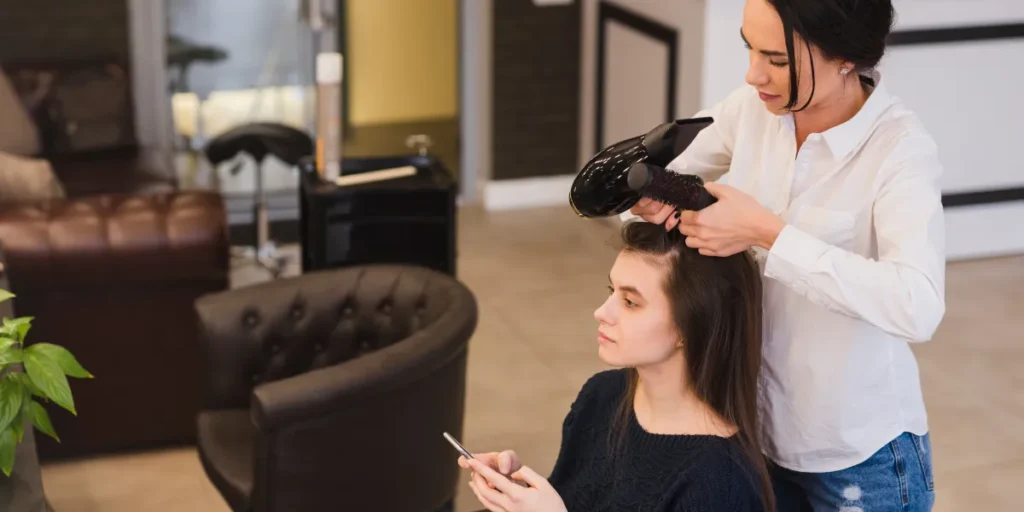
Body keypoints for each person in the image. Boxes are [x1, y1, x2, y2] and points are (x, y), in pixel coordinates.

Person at [628, 0, 943, 510]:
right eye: (750, 48)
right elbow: (664, 180)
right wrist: (648, 197)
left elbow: (918, 305)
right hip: (757, 432)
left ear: (846, 57)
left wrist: (768, 233)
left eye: (777, 60)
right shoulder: (753, 109)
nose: (754, 74)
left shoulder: (899, 151)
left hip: (858, 458)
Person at [460, 221, 774, 511]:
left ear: (689, 327)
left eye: (630, 302)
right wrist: (520, 492)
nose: (601, 312)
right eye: (613, 291)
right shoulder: (603, 395)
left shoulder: (720, 481)